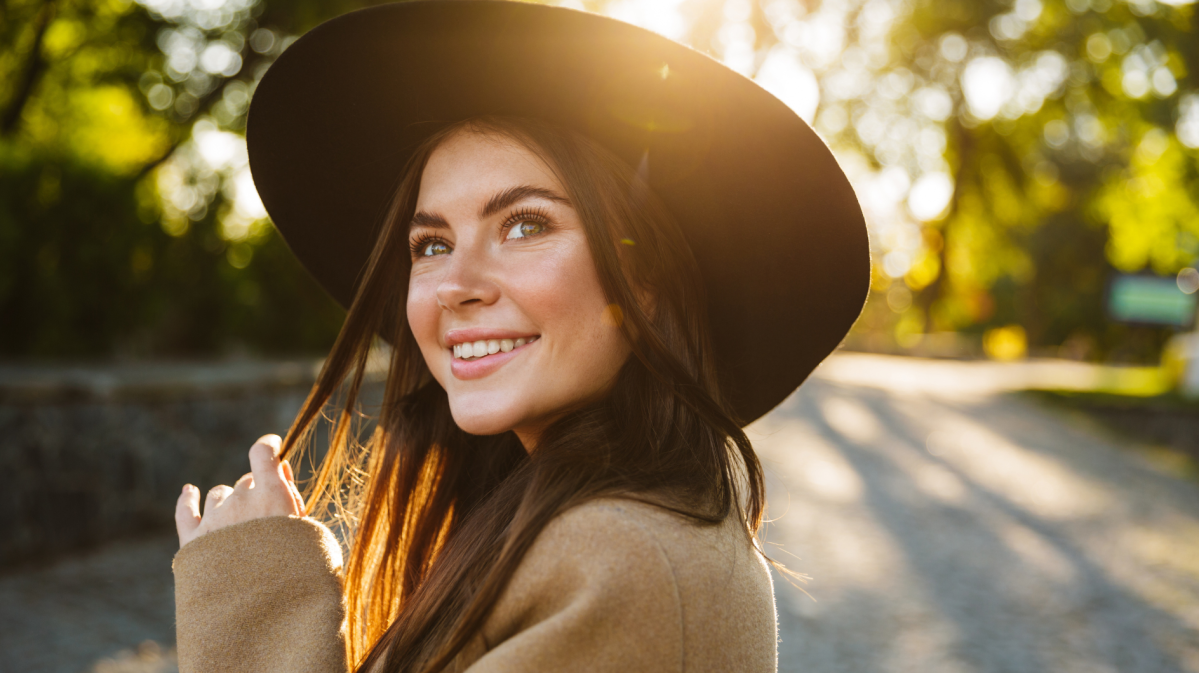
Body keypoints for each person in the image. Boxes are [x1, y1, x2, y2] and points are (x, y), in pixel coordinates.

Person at [170, 2, 870, 672]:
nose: (456, 284)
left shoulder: (620, 559)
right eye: (432, 244)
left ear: (647, 281)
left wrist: (259, 600)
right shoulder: (567, 524)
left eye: (525, 226)